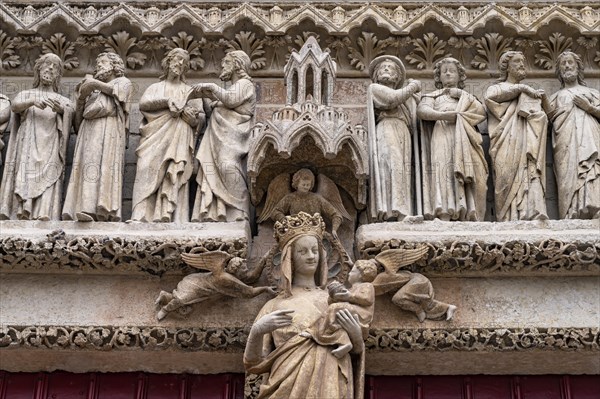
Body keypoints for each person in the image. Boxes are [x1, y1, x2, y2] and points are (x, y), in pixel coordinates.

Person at [244, 212, 366, 399]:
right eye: (303, 251)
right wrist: (257, 331)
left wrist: (357, 337)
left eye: (315, 250)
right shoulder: (274, 305)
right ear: (289, 258)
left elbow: (354, 351)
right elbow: (253, 364)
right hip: (286, 385)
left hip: (331, 380)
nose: (311, 257)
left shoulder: (335, 300)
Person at [131, 48, 205, 223]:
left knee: (176, 171)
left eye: (184, 62)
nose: (179, 64)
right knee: (145, 168)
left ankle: (174, 216)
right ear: (168, 62)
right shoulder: (155, 88)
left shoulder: (190, 92)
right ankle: (141, 214)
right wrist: (166, 102)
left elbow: (200, 117)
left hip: (179, 138)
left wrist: (192, 119)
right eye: (177, 59)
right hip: (154, 137)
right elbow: (143, 105)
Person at [0, 53, 73, 220]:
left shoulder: (62, 99)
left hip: (51, 146)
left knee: (50, 176)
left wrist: (63, 111)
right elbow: (16, 106)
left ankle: (44, 212)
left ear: (58, 76)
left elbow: (74, 118)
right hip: (28, 144)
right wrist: (32, 102)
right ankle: (22, 210)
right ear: (38, 69)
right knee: (25, 173)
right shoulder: (27, 94)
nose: (50, 68)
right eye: (47, 64)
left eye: (55, 67)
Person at [62, 52, 133, 222]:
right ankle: (83, 208)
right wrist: (81, 99)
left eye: (102, 62)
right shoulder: (93, 92)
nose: (98, 66)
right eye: (97, 63)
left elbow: (120, 93)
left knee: (105, 166)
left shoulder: (123, 82)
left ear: (115, 66)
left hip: (109, 130)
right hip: (88, 132)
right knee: (88, 165)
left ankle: (103, 210)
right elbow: (78, 125)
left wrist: (94, 83)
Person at [418, 57, 488, 221]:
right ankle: (444, 212)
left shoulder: (467, 97)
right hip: (442, 133)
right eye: (444, 71)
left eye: (452, 71)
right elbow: (422, 111)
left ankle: (469, 211)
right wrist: (444, 115)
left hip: (464, 137)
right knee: (443, 169)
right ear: (438, 77)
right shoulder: (433, 96)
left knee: (467, 170)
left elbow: (481, 114)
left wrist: (462, 95)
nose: (448, 73)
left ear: (460, 76)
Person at [191, 50, 256, 222]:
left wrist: (211, 87)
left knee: (228, 167)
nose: (222, 66)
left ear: (237, 65)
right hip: (217, 138)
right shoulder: (235, 86)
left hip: (232, 139)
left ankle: (238, 210)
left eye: (226, 62)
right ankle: (214, 211)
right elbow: (221, 105)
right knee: (211, 167)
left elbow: (231, 100)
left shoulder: (245, 84)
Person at [484, 51, 549, 221]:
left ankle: (531, 212)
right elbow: (490, 98)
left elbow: (544, 118)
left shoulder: (529, 94)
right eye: (517, 62)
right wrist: (522, 88)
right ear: (506, 67)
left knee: (530, 172)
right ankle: (507, 218)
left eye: (523, 61)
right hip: (505, 141)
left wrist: (543, 103)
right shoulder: (497, 87)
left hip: (528, 143)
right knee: (505, 177)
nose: (522, 65)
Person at [367, 55, 421, 222]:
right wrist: (413, 87)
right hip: (387, 127)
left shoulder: (406, 97)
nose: (386, 69)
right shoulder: (375, 88)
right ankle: (394, 211)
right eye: (382, 67)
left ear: (397, 77)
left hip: (403, 131)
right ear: (376, 75)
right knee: (392, 163)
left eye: (390, 68)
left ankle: (404, 210)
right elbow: (392, 99)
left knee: (403, 170)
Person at [548, 51, 600, 219]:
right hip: (565, 142)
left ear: (578, 68)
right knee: (568, 173)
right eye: (563, 64)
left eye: (571, 63)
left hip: (590, 136)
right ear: (559, 71)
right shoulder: (555, 97)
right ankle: (571, 211)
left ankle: (595, 205)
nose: (567, 66)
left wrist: (589, 108)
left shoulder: (592, 93)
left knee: (592, 168)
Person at [155, 252, 274, 321]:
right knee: (182, 299)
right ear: (235, 270)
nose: (246, 270)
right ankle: (165, 309)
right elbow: (249, 292)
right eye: (243, 268)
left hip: (201, 287)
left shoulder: (235, 277)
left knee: (183, 301)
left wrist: (264, 260)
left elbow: (252, 278)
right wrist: (265, 289)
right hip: (195, 284)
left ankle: (165, 296)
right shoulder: (226, 278)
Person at [303, 260, 376, 359]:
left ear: (361, 275)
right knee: (336, 322)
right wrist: (334, 296)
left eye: (352, 271)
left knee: (334, 308)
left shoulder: (367, 285)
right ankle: (344, 343)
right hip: (351, 313)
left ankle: (315, 331)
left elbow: (367, 299)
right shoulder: (351, 288)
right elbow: (335, 301)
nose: (349, 273)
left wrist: (349, 296)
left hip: (362, 314)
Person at [259, 168, 348, 239]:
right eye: (303, 185)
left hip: (315, 233)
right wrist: (285, 221)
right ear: (297, 184)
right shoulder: (290, 198)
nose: (306, 187)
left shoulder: (317, 198)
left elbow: (336, 215)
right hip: (295, 233)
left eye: (308, 185)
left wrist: (334, 229)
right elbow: (275, 212)